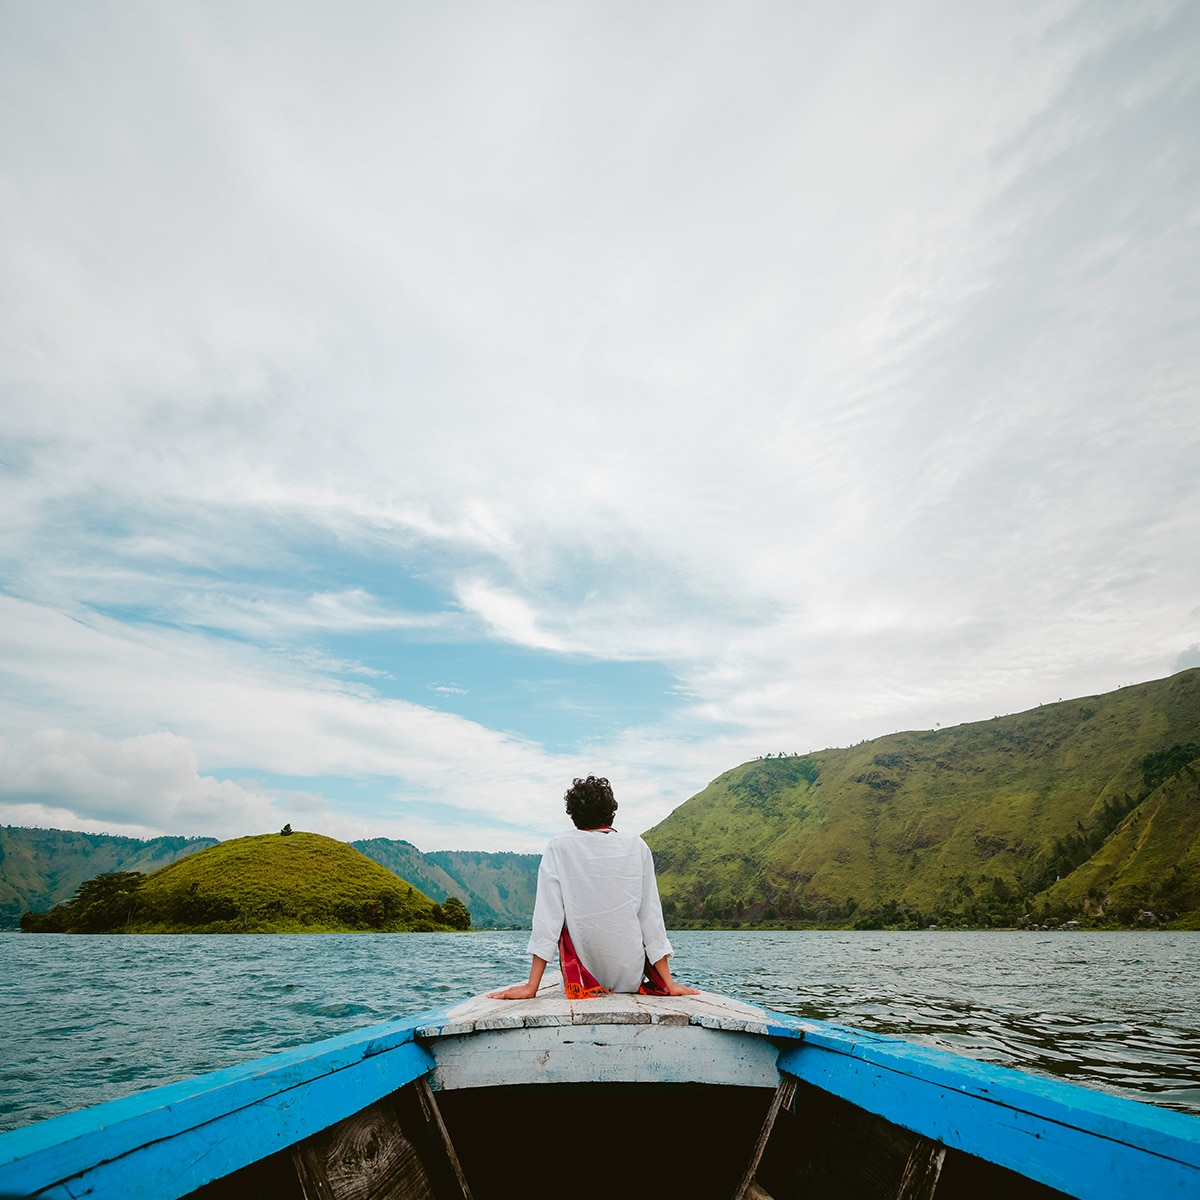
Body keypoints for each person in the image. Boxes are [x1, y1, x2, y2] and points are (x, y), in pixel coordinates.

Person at [488, 775, 699, 1000]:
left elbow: (547, 919)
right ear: (611, 813)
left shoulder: (559, 846)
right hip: (629, 978)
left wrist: (531, 987)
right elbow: (651, 919)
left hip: (580, 979)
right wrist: (669, 984)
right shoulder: (637, 845)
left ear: (574, 815)